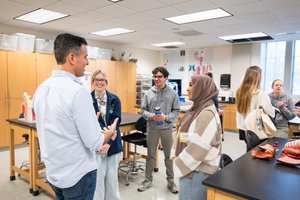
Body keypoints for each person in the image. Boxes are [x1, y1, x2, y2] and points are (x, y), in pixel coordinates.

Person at [33, 33, 117, 200]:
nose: (87, 62)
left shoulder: (41, 88)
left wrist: (83, 120)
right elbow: (94, 142)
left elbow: (56, 125)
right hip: (78, 176)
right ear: (72, 57)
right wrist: (107, 134)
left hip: (54, 173)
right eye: (85, 57)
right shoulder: (78, 91)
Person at [171, 75, 222, 200]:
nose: (187, 89)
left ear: (202, 88)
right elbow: (193, 136)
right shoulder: (197, 108)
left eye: (191, 85)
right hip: (193, 170)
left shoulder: (206, 114)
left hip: (196, 172)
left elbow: (196, 150)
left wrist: (177, 162)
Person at [138, 66, 180, 193]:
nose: (157, 79)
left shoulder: (172, 93)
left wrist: (165, 117)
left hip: (166, 128)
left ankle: (171, 182)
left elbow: (176, 111)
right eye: (155, 76)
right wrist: (151, 116)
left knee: (169, 156)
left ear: (166, 78)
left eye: (160, 76)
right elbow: (143, 110)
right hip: (152, 128)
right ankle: (148, 180)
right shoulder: (148, 93)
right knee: (151, 156)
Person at [91, 70, 122, 200]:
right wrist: (101, 142)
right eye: (97, 79)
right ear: (93, 82)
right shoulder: (87, 100)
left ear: (106, 82)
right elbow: (88, 124)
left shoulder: (115, 99)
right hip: (97, 144)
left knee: (111, 177)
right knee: (98, 177)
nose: (99, 82)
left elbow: (116, 120)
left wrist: (108, 142)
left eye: (102, 80)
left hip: (113, 143)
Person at [236, 66, 275, 144]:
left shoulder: (239, 92)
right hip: (255, 129)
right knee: (257, 152)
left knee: (249, 149)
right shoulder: (260, 93)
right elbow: (270, 112)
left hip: (243, 128)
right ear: (258, 77)